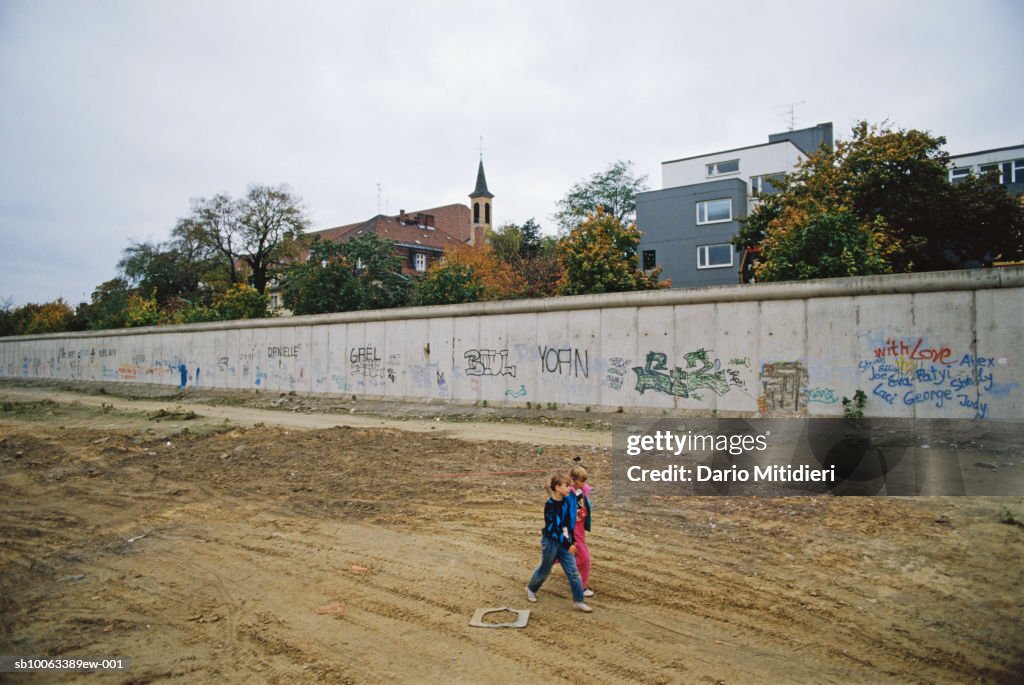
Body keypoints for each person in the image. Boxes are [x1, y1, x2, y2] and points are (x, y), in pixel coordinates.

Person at [525, 473, 592, 612]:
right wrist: (568, 544)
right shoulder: (549, 505)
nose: (570, 488)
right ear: (557, 487)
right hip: (551, 542)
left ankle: (578, 601)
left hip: (564, 542)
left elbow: (568, 523)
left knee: (573, 571)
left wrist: (572, 541)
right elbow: (553, 528)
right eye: (566, 486)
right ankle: (531, 589)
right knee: (545, 568)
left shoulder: (567, 502)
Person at [569, 465, 595, 597]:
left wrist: (578, 469)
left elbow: (584, 487)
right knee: (584, 558)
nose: (584, 484)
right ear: (573, 481)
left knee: (561, 554)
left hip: (579, 527)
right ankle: (581, 587)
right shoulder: (568, 493)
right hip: (573, 529)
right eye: (581, 481)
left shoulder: (580, 489)